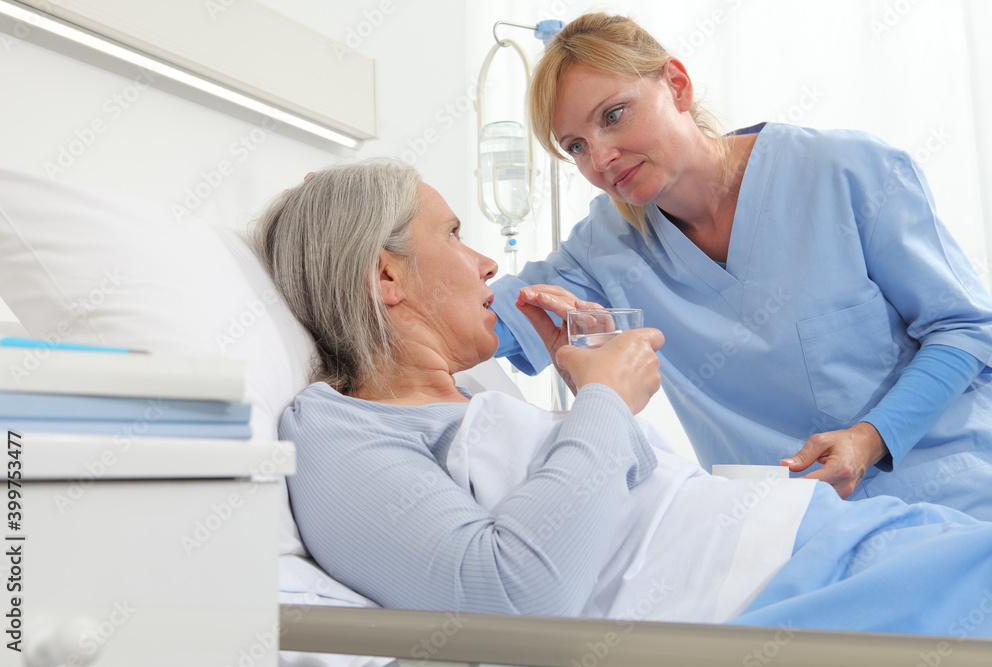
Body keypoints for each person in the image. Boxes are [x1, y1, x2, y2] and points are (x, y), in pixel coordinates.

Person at [252, 158, 992, 636]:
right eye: (453, 234)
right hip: (775, 591)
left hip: (829, 537)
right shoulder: (336, 430)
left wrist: (586, 378)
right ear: (387, 277)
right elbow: (508, 602)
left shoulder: (469, 397)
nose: (485, 264)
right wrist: (601, 401)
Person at [489, 12, 992, 520]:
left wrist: (870, 438)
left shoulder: (846, 173)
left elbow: (965, 328)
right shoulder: (607, 242)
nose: (600, 158)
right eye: (575, 146)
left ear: (677, 85)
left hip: (949, 499)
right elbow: (489, 318)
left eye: (614, 115)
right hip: (783, 532)